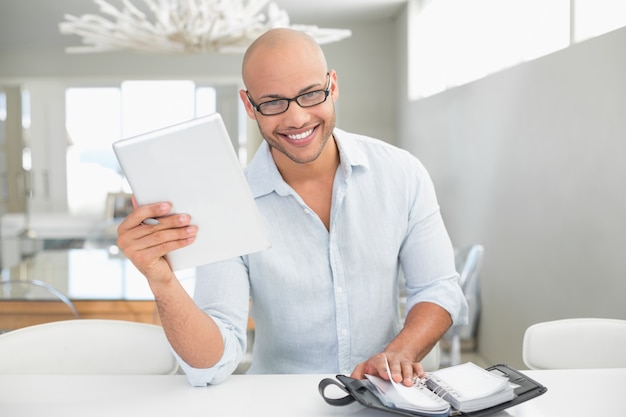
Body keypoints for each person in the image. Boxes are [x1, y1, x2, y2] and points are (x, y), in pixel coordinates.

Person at [117, 28, 468, 387]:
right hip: (279, 402)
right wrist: (162, 282)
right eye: (272, 102)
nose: (297, 118)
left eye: (310, 94)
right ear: (249, 105)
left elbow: (437, 288)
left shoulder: (402, 173)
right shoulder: (229, 205)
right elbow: (211, 365)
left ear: (332, 86)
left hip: (387, 394)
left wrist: (401, 352)